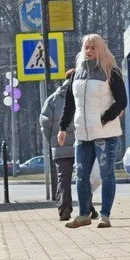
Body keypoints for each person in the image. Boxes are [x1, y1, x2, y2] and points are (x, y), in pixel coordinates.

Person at [57, 34, 127, 228]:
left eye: (92, 48)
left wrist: (104, 118)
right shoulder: (77, 73)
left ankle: (104, 215)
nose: (88, 51)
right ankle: (83, 215)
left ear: (100, 49)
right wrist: (63, 128)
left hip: (105, 134)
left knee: (106, 175)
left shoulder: (110, 72)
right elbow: (69, 104)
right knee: (80, 176)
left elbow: (122, 101)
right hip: (82, 134)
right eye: (86, 47)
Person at [40, 72, 96, 222]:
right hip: (82, 144)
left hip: (61, 146)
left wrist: (53, 141)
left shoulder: (52, 100)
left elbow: (45, 125)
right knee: (83, 177)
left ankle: (64, 209)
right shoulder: (82, 97)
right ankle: (88, 207)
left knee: (63, 179)